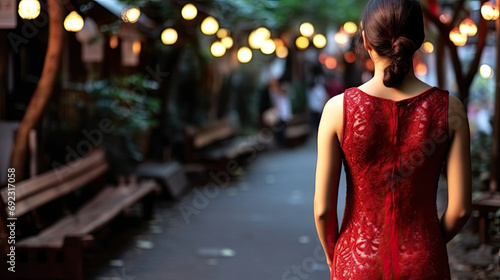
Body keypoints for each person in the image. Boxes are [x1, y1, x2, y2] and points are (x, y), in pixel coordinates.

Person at [313, 0, 471, 279]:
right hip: (423, 262)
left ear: (366, 41)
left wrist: (333, 255)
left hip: (356, 263)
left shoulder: (338, 109)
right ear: (419, 40)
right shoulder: (450, 109)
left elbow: (323, 210)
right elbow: (460, 210)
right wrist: (428, 244)